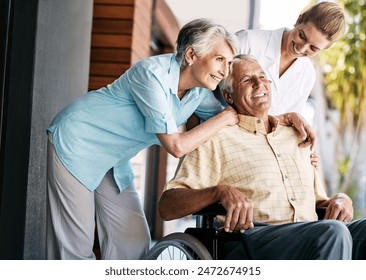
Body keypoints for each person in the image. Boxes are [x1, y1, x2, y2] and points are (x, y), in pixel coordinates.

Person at [46, 18, 313, 260]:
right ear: (191, 54)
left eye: (229, 63)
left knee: (133, 245)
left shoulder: (199, 93)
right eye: (220, 59)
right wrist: (225, 117)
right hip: (78, 141)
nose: (224, 71)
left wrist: (286, 120)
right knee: (75, 249)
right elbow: (176, 145)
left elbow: (244, 115)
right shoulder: (151, 75)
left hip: (114, 160)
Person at [158, 55, 366, 260]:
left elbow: (319, 202)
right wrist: (219, 192)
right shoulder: (216, 138)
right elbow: (167, 206)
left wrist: (341, 199)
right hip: (252, 240)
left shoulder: (296, 135)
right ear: (229, 96)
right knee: (332, 233)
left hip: (312, 231)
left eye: (263, 77)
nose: (259, 84)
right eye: (247, 80)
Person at [236, 1, 346, 118]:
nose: (301, 48)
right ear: (299, 20)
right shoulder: (246, 41)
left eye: (313, 48)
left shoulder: (307, 75)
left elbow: (287, 120)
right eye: (302, 36)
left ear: (323, 49)